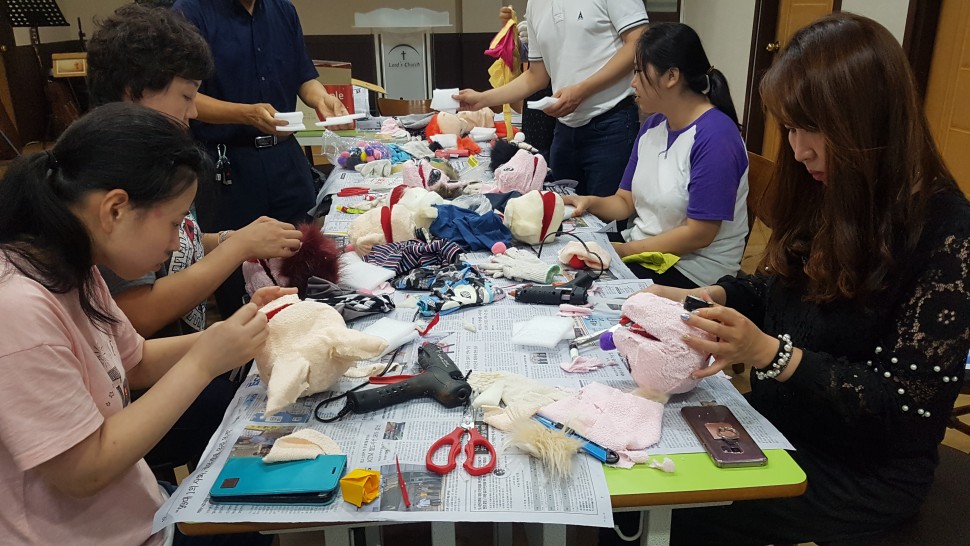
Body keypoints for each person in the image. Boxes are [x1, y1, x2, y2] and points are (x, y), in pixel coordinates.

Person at [644, 14, 969, 545]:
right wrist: (706, 295)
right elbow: (778, 287)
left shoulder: (947, 231)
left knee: (669, 506)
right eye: (791, 128)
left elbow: (904, 408)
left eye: (812, 128)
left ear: (870, 120)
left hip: (862, 471)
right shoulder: (831, 188)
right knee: (644, 462)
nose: (799, 150)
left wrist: (769, 353)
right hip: (779, 425)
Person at [0, 102, 275, 545]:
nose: (177, 242)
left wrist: (234, 334)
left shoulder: (75, 266)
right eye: (174, 223)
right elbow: (83, 469)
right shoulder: (17, 309)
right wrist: (203, 362)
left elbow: (136, 360)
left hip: (141, 512)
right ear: (115, 209)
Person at [86, 3, 302, 472]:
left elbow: (179, 243)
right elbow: (139, 312)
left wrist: (229, 238)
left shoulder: (150, 162)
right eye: (186, 97)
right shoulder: (115, 177)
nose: (192, 113)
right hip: (138, 396)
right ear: (134, 92)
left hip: (156, 363)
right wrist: (236, 249)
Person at [172, 0, 351, 318]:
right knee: (236, 277)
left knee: (304, 261)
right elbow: (184, 95)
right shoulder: (190, 11)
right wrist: (246, 114)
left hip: (286, 157)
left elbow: (303, 76)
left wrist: (322, 98)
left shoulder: (283, 10)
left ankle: (311, 330)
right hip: (227, 164)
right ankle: (245, 343)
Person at [562, 23, 748, 289]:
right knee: (565, 259)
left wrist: (624, 251)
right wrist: (589, 202)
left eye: (639, 72)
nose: (633, 82)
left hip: (692, 272)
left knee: (583, 289)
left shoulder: (717, 137)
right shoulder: (654, 125)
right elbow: (625, 202)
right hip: (644, 253)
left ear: (671, 76)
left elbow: (699, 234)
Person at [455, 1, 648, 197]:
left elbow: (638, 41)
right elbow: (536, 76)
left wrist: (583, 90)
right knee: (565, 212)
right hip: (564, 129)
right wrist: (482, 99)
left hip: (611, 122)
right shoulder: (535, 5)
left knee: (608, 213)